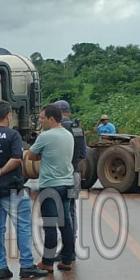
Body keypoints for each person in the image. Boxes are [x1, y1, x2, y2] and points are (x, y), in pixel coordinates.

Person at [0, 100, 49, 280]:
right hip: (13, 188)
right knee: (22, 227)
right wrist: (2, 171)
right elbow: (17, 159)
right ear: (8, 116)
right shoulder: (12, 135)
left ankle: (1, 268)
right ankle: (27, 265)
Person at [28, 104, 76, 272]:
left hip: (50, 186)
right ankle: (67, 260)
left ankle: (47, 262)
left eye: (42, 118)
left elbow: (31, 156)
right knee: (66, 223)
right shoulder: (69, 135)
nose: (40, 121)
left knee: (50, 224)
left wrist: (41, 154)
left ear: (51, 119)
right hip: (67, 184)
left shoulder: (45, 137)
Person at [55, 100, 87, 253]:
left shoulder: (57, 130)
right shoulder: (78, 129)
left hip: (59, 176)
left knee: (60, 211)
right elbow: (83, 154)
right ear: (69, 112)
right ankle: (71, 245)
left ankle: (65, 247)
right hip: (75, 174)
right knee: (72, 209)